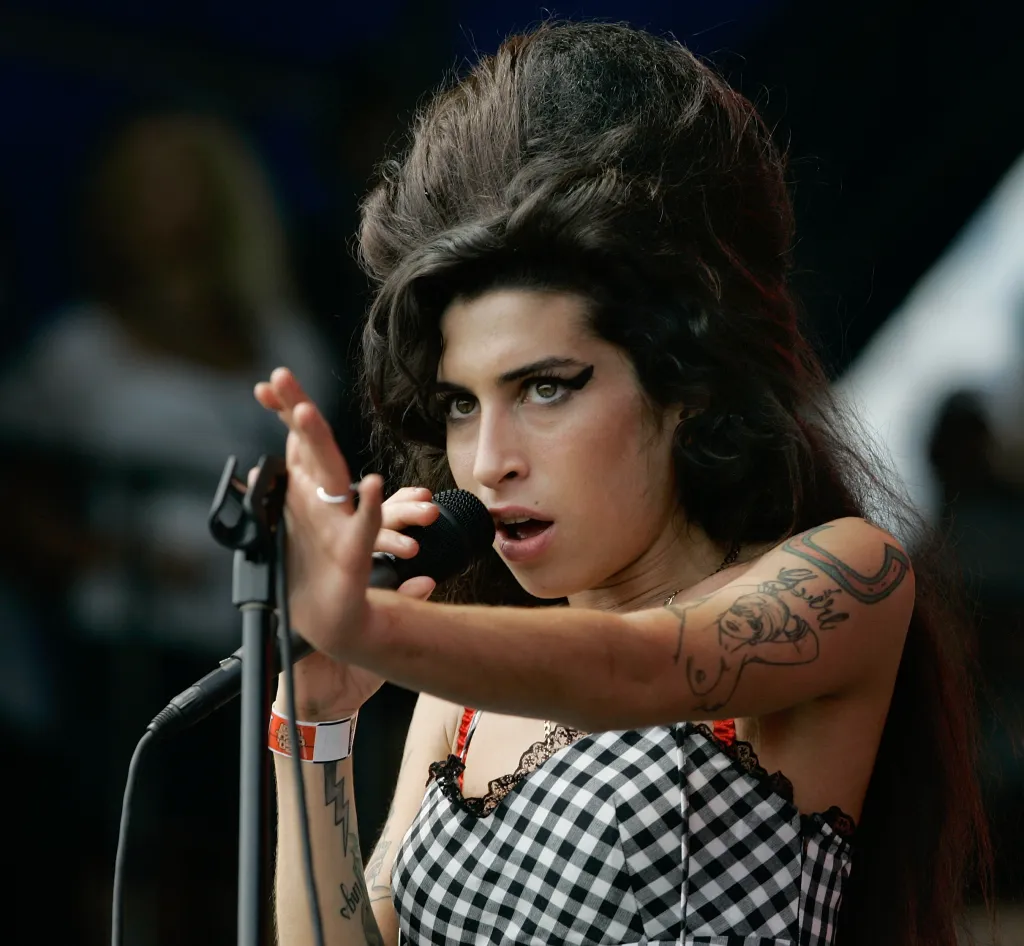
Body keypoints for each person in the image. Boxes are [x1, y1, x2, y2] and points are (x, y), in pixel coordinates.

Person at [255, 22, 991, 946]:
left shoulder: (848, 578)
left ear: (684, 383)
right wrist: (314, 722)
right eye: (458, 405)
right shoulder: (460, 699)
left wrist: (374, 622)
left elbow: (641, 668)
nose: (488, 461)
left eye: (547, 387)